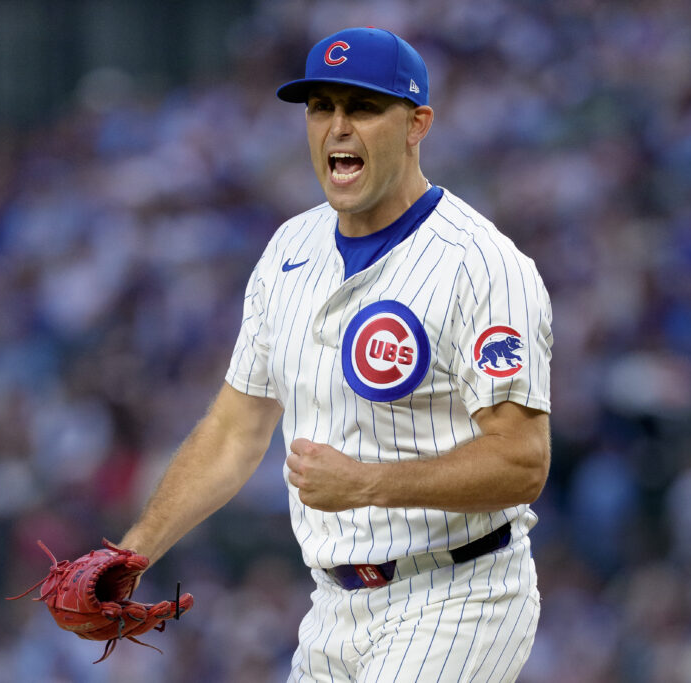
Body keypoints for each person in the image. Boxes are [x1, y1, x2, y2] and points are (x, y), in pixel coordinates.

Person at [118, 26, 553, 681]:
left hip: (459, 592)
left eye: (364, 107)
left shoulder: (482, 265)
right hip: (333, 608)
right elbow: (236, 430)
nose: (338, 128)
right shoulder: (289, 250)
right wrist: (136, 551)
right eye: (321, 107)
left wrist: (371, 483)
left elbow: (522, 460)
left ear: (417, 124)